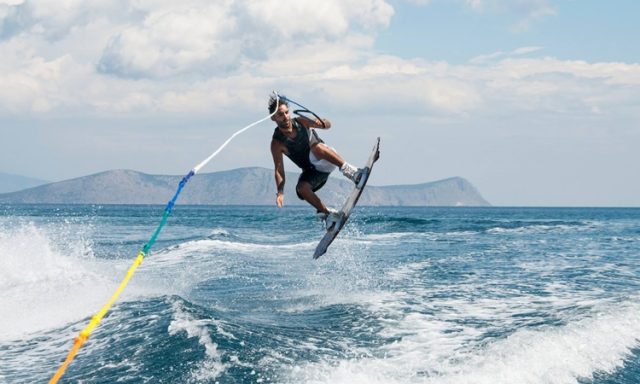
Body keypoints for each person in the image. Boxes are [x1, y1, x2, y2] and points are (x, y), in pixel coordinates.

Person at [268, 95, 363, 226]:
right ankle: (327, 215)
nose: (285, 117)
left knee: (316, 147)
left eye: (286, 112)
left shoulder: (302, 121)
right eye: (280, 114)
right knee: (301, 189)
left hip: (325, 160)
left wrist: (322, 123)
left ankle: (352, 172)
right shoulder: (277, 143)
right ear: (273, 118)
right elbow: (279, 169)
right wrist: (280, 191)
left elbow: (328, 124)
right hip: (313, 173)